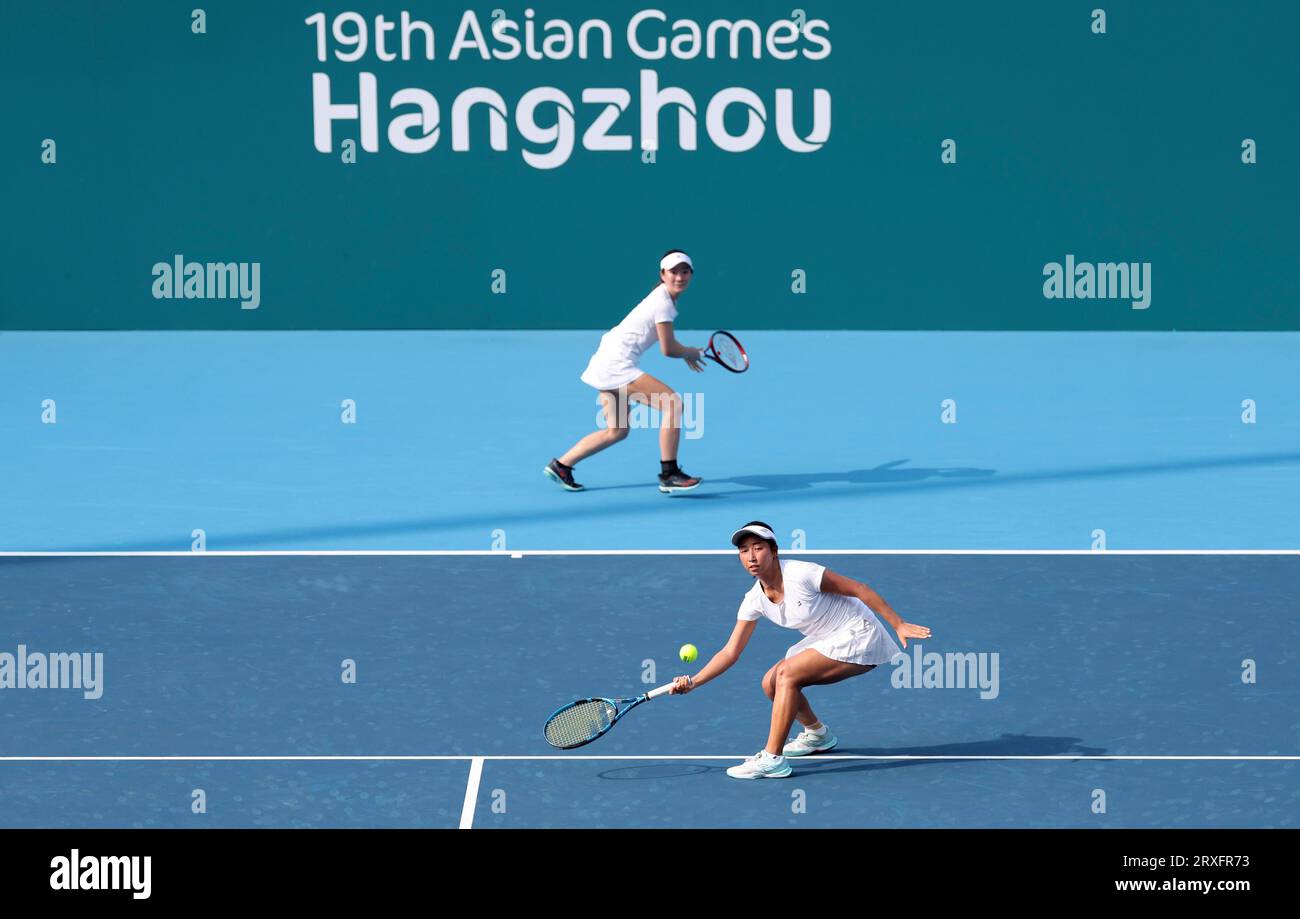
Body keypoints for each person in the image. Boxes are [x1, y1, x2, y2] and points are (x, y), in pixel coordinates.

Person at [670, 522, 933, 779]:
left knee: (786, 673)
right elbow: (730, 652)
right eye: (744, 550)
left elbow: (859, 589)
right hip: (825, 638)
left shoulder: (802, 574)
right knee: (770, 684)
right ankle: (818, 735)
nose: (751, 556)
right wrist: (694, 682)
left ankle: (772, 758)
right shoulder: (754, 599)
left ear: (774, 551)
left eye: (758, 547)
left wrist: (898, 623)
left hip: (860, 633)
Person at [544, 249, 706, 495]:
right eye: (673, 272)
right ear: (663, 274)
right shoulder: (663, 303)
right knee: (673, 404)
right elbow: (668, 349)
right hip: (615, 364)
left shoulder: (662, 298)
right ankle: (669, 474)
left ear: (691, 274)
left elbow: (668, 344)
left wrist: (684, 352)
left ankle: (561, 465)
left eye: (685, 271)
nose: (679, 277)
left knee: (616, 431)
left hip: (604, 360)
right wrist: (689, 352)